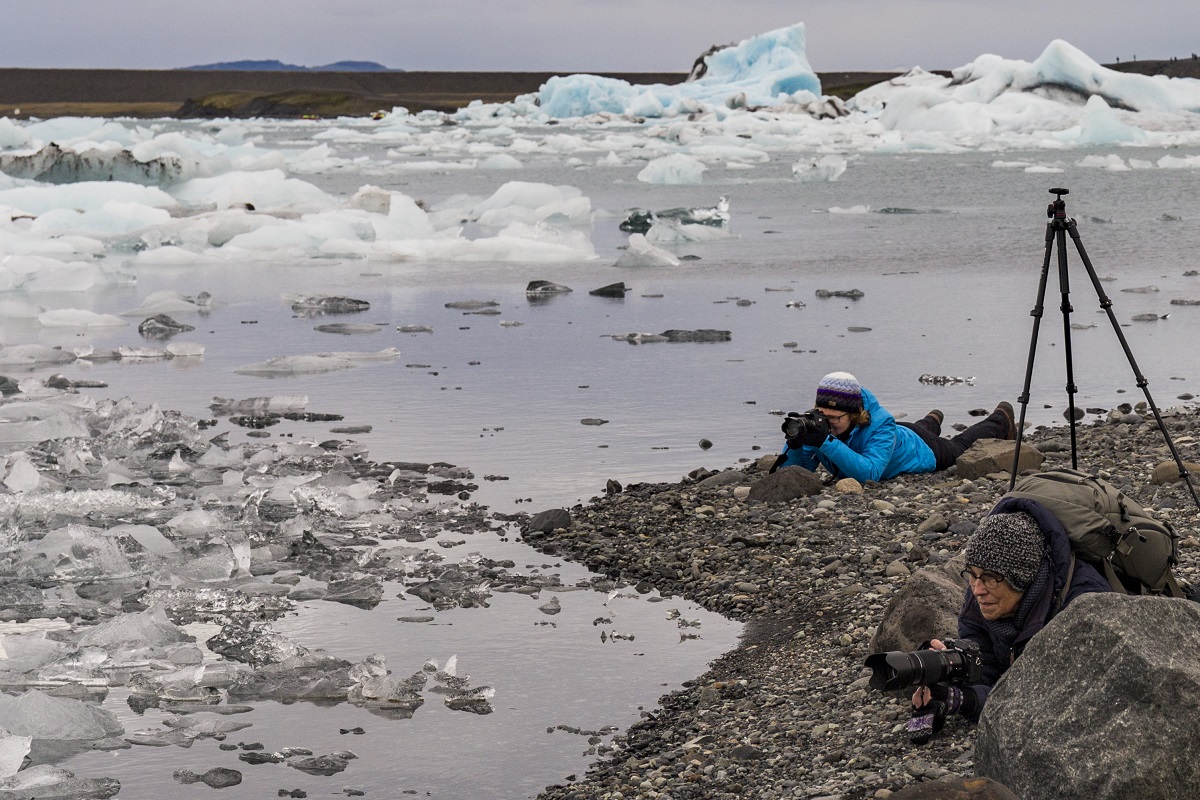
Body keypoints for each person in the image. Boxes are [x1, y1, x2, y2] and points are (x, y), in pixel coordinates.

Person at [909, 504, 1111, 741]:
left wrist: (972, 701)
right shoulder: (981, 602)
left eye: (988, 578)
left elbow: (1055, 703)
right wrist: (948, 690)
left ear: (1021, 577)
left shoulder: (1082, 604)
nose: (977, 590)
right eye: (972, 575)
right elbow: (990, 677)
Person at [774, 371, 1017, 483]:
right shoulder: (821, 428)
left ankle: (1000, 419)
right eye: (822, 415)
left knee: (958, 447)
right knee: (916, 428)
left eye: (835, 418)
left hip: (922, 448)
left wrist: (825, 442)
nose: (828, 424)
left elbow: (870, 474)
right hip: (900, 436)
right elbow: (800, 472)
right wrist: (795, 443)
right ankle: (932, 420)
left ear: (854, 414)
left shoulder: (881, 424)